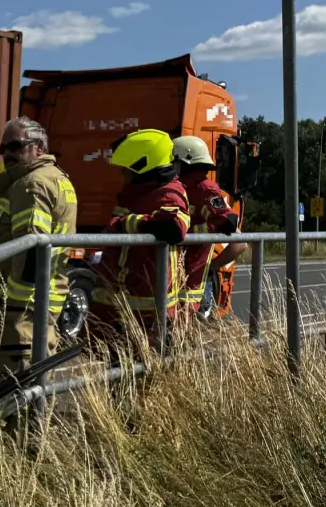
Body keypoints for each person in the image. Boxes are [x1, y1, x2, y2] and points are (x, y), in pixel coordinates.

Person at [0, 117, 78, 379]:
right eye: (3, 149)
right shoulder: (57, 178)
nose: (8, 154)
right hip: (39, 305)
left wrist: (12, 307)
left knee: (18, 394)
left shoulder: (30, 184)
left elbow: (31, 247)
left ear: (39, 148)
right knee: (37, 387)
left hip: (22, 310)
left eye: (16, 146)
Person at [87, 129, 190, 350]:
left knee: (139, 376)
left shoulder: (167, 194)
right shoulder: (137, 193)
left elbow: (174, 227)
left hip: (144, 315)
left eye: (126, 169)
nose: (122, 175)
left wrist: (126, 224)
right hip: (123, 310)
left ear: (143, 166)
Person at [171, 136, 240, 319]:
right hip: (176, 276)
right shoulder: (177, 188)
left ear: (185, 162)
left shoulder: (205, 190)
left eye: (173, 162)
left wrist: (188, 233)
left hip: (192, 281)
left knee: (187, 326)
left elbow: (230, 227)